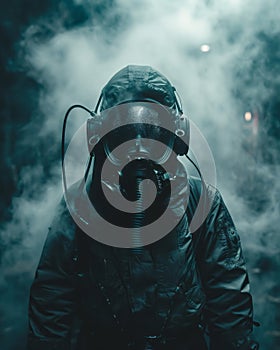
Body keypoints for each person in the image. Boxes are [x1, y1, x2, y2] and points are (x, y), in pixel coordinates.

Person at [27, 65, 259, 349]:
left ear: (178, 137)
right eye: (124, 131)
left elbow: (228, 299)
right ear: (98, 137)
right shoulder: (80, 205)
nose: (138, 147)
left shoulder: (201, 201)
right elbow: (52, 299)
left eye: (151, 131)